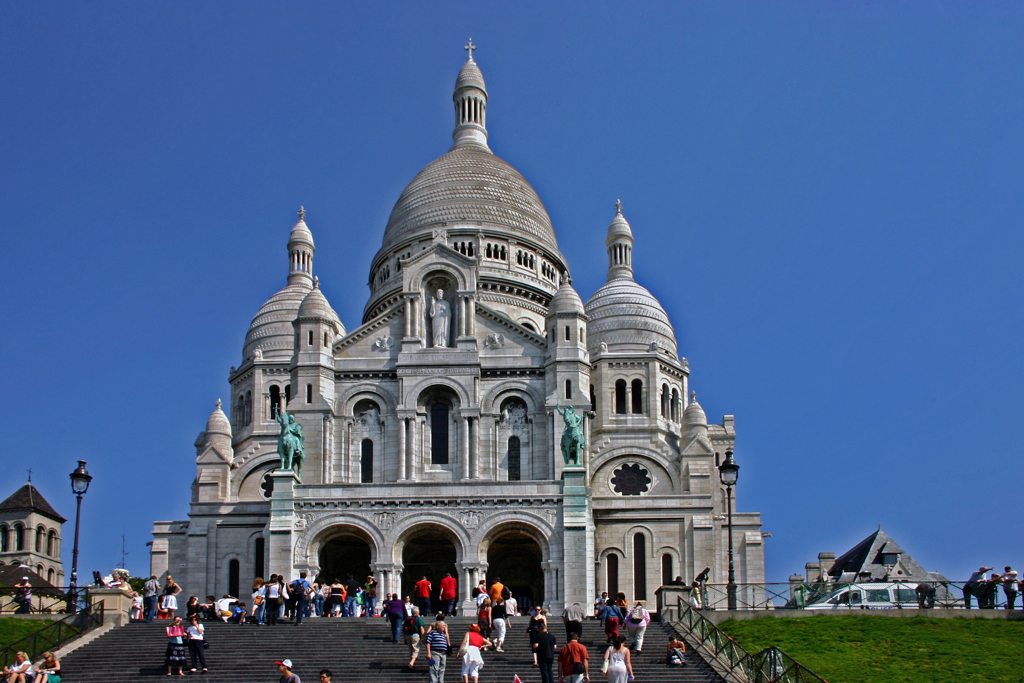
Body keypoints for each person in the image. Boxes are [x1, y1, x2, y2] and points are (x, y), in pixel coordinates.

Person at [425, 613, 450, 683]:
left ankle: (441, 681)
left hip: (443, 653)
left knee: (442, 669)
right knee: (434, 669)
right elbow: (428, 642)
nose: (444, 627)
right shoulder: (432, 633)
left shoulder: (443, 634)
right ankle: (434, 681)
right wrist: (428, 653)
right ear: (438, 626)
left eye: (444, 626)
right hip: (435, 652)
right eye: (443, 626)